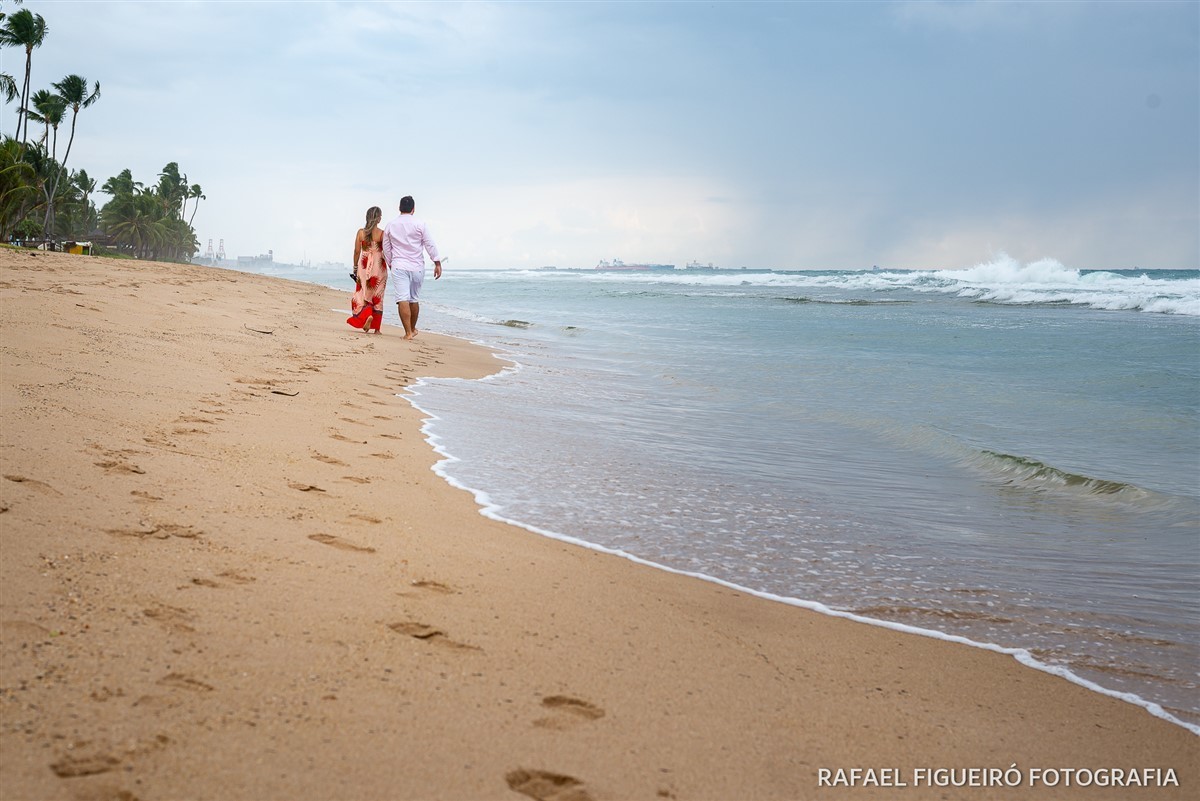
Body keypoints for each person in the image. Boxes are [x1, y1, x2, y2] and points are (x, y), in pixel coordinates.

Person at [382, 195, 442, 340]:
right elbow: (429, 244)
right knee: (414, 298)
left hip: (399, 265)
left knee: (402, 298)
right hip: (417, 266)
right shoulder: (420, 224)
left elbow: (386, 247)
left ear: (399, 208)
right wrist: (437, 262)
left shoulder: (391, 225)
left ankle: (408, 332)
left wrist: (391, 263)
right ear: (413, 209)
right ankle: (413, 329)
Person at [347, 206, 388, 334]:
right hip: (378, 267)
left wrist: (355, 267)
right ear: (379, 219)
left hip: (364, 268)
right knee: (377, 296)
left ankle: (367, 316)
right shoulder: (382, 234)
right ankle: (377, 329)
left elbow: (356, 252)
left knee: (362, 293)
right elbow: (387, 252)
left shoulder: (360, 233)